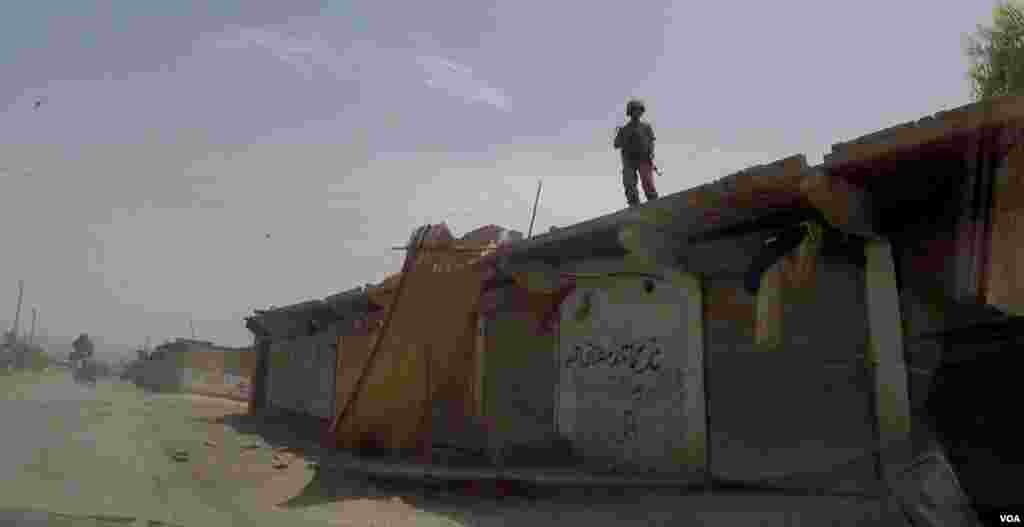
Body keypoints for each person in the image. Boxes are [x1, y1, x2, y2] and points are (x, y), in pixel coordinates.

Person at [614, 99, 659, 207]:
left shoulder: (646, 127)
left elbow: (651, 141)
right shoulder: (624, 130)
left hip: (643, 158)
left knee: (647, 182)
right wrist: (621, 136)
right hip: (629, 161)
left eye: (639, 110)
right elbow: (616, 144)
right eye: (634, 110)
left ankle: (654, 203)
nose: (637, 112)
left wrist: (651, 153)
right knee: (629, 184)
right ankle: (634, 205)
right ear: (630, 112)